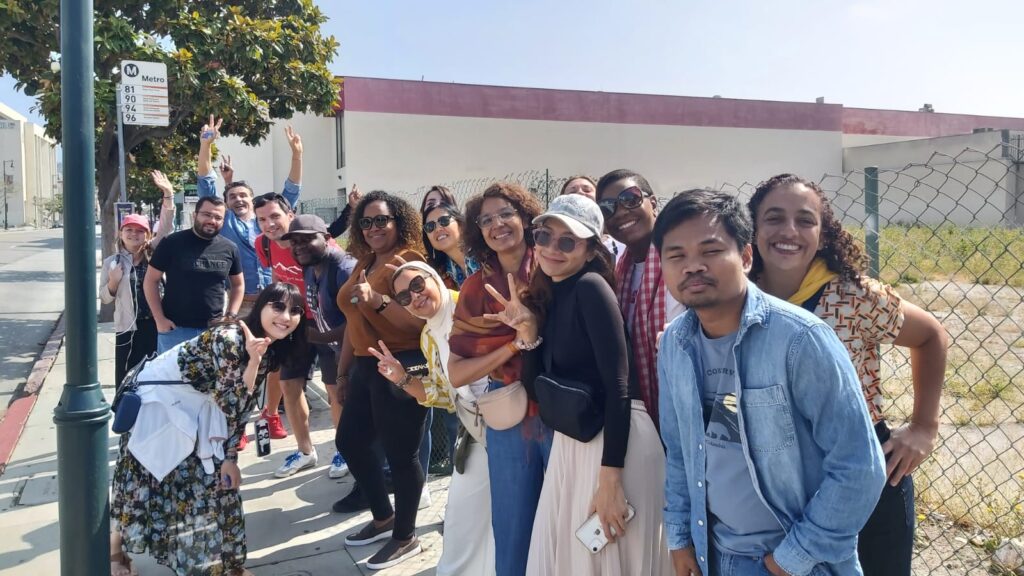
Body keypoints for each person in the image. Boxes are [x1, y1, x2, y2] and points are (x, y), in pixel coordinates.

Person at [654, 188, 886, 576]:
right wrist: (680, 539)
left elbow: (858, 466)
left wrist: (792, 558)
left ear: (746, 257)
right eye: (676, 255)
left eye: (710, 251)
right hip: (713, 551)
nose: (692, 266)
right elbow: (679, 452)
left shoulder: (800, 339)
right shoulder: (675, 345)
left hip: (792, 559)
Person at [747, 173, 948, 576]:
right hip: (771, 469)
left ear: (823, 235)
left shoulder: (852, 296)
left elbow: (931, 335)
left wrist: (924, 427)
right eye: (774, 217)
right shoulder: (738, 299)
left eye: (805, 220)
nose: (789, 231)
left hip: (862, 470)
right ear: (752, 229)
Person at [499, 195, 672, 575]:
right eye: (545, 236)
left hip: (614, 445)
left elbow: (620, 386)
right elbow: (536, 391)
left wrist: (611, 478)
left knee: (606, 561)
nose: (552, 249)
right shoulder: (550, 294)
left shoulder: (591, 288)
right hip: (574, 444)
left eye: (568, 241)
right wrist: (528, 333)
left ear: (592, 249)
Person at [109, 282, 308, 576]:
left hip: (196, 411)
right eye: (278, 307)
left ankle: (228, 565)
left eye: (295, 311)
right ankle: (115, 554)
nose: (286, 317)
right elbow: (232, 404)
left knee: (216, 487)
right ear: (261, 307)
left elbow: (240, 408)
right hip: (157, 409)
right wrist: (253, 362)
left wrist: (230, 458)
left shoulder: (268, 348)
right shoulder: (230, 340)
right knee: (137, 485)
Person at [448, 182, 550, 576]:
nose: (498, 224)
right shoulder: (476, 289)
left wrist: (534, 324)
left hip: (564, 408)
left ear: (526, 217)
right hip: (509, 411)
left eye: (506, 213)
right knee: (513, 523)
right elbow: (458, 372)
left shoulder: (553, 268)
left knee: (566, 515)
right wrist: (514, 346)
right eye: (486, 220)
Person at [369, 260, 496, 576]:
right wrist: (401, 378)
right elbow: (440, 395)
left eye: (417, 285)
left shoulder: (469, 303)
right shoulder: (428, 335)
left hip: (509, 420)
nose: (414, 297)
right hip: (476, 431)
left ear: (435, 278)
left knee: (505, 512)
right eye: (403, 297)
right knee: (462, 514)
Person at [334, 191, 429, 571]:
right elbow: (350, 325)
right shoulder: (366, 261)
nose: (373, 228)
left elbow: (420, 322)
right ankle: (383, 516)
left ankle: (405, 537)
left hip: (400, 367)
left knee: (401, 456)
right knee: (349, 442)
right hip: (364, 366)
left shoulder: (409, 263)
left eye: (382, 220)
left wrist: (378, 300)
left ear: (399, 222)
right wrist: (343, 372)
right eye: (366, 221)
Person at [596, 169, 685, 424]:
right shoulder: (618, 272)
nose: (621, 212)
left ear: (653, 204)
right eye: (608, 208)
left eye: (631, 199)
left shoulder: (681, 260)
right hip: (641, 415)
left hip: (685, 408)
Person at [196, 115, 303, 314]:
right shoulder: (226, 222)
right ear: (226, 203)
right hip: (241, 305)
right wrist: (205, 146)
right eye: (233, 197)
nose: (238, 200)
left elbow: (291, 192)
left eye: (243, 195)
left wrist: (297, 156)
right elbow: (205, 184)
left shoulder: (268, 222)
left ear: (252, 200)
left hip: (275, 302)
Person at [280, 214, 357, 478]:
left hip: (360, 358)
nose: (299, 246)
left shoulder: (344, 269)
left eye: (306, 239)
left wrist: (317, 337)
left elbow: (359, 323)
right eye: (294, 241)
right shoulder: (310, 266)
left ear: (326, 238)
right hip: (340, 353)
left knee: (362, 426)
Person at [101, 170, 176, 386]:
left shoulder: (153, 254)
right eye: (129, 230)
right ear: (120, 233)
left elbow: (166, 225)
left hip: (156, 324)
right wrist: (114, 282)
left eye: (140, 230)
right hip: (127, 328)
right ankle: (126, 417)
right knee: (126, 379)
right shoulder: (111, 262)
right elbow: (104, 298)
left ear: (148, 235)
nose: (134, 234)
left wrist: (168, 195)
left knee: (156, 375)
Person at [421, 200, 480, 470]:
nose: (438, 229)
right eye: (430, 226)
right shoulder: (445, 269)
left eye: (444, 221)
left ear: (460, 224)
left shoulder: (479, 255)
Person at [144, 196, 243, 353]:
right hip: (175, 330)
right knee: (171, 378)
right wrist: (159, 319)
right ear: (194, 215)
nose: (212, 220)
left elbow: (238, 284)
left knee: (210, 378)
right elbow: (150, 280)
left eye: (218, 217)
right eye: (207, 214)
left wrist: (231, 316)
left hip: (213, 331)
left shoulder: (230, 248)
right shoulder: (171, 243)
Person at [560, 175, 625, 261]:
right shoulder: (553, 245)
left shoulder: (621, 246)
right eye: (572, 191)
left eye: (587, 190)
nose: (580, 193)